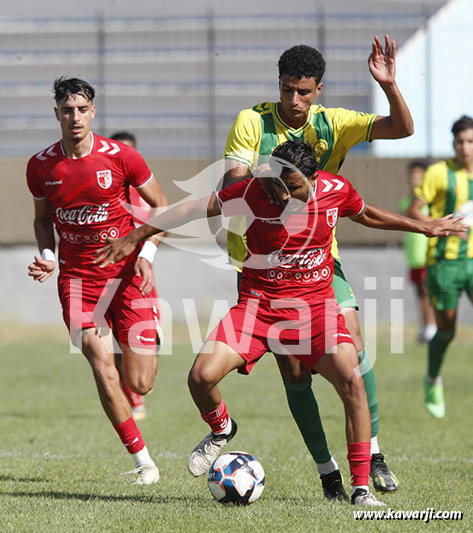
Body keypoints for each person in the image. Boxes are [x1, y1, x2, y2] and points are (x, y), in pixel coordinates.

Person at [94, 140, 464, 505]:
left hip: (314, 309)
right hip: (258, 307)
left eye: (294, 187)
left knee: (352, 381)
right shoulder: (255, 189)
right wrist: (138, 234)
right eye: (278, 185)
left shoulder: (335, 190)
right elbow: (193, 208)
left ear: (314, 178)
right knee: (200, 377)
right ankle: (222, 428)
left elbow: (366, 213)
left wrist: (424, 227)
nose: (284, 195)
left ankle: (361, 489)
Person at [222, 37, 413, 498]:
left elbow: (401, 129)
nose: (294, 100)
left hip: (318, 257)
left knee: (353, 345)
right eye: (287, 89)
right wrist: (265, 180)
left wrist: (389, 85)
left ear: (318, 89)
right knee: (294, 373)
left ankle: (374, 454)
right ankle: (328, 472)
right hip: (261, 260)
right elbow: (230, 180)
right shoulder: (253, 120)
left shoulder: (335, 123)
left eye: (303, 91)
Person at [26, 77, 170, 484]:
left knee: (141, 380)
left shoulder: (122, 157)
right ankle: (144, 462)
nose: (74, 117)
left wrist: (145, 253)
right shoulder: (40, 166)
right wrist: (49, 255)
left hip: (126, 278)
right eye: (67, 110)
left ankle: (136, 340)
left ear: (93, 112)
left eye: (82, 109)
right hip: (77, 280)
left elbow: (163, 209)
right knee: (100, 363)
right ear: (56, 113)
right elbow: (41, 221)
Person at [408, 115, 473, 419]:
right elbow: (414, 209)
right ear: (453, 143)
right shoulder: (438, 174)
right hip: (444, 263)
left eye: (470, 141)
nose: (466, 147)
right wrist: (435, 225)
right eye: (460, 141)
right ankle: (432, 378)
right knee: (446, 329)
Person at [110, 130, 153, 421]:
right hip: (102, 280)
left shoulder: (145, 193)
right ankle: (132, 402)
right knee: (109, 346)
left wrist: (146, 255)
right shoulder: (104, 191)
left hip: (139, 279)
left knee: (141, 352)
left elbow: (161, 224)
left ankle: (137, 390)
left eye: (132, 153)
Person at [399, 161, 437, 343]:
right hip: (413, 255)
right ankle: (425, 326)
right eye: (413, 176)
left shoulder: (430, 201)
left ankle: (432, 326)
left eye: (419, 176)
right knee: (419, 293)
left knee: (428, 291)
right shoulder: (406, 201)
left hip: (427, 255)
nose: (415, 180)